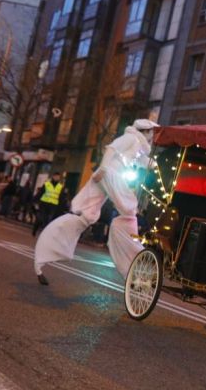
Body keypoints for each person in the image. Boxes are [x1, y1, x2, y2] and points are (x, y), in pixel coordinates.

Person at [33, 119, 159, 285]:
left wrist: (157, 166)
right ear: (147, 131)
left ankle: (43, 258)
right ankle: (132, 255)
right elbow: (111, 148)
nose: (153, 136)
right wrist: (103, 168)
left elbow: (144, 161)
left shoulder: (138, 145)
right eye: (153, 132)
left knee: (86, 215)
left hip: (110, 175)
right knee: (129, 208)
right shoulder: (132, 138)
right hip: (111, 174)